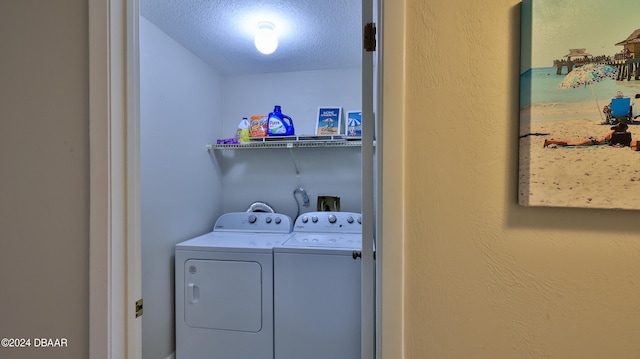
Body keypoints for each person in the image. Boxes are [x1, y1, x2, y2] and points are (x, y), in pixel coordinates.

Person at [543, 123, 629, 147]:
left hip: (593, 141)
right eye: (625, 129)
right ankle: (550, 141)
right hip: (592, 142)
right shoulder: (614, 133)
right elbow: (613, 142)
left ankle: (551, 141)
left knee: (570, 143)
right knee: (569, 143)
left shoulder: (613, 132)